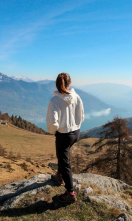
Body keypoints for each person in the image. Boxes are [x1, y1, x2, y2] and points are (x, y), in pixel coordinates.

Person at [46, 72, 84, 203]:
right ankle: (59, 175)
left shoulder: (55, 100)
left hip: (64, 135)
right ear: (70, 84)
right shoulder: (77, 97)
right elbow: (82, 115)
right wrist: (75, 126)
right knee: (62, 156)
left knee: (64, 160)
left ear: (56, 85)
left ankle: (70, 192)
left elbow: (52, 123)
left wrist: (54, 131)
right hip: (76, 133)